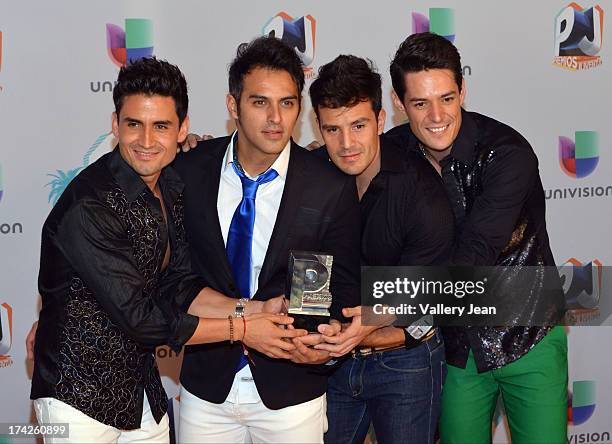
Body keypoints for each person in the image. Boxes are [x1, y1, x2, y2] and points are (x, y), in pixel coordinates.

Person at [30, 57, 303, 444]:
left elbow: (178, 287)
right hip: (77, 396)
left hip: (140, 391)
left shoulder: (172, 187)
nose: (146, 141)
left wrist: (256, 309)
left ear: (182, 129)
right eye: (134, 125)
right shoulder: (90, 206)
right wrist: (243, 329)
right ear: (114, 125)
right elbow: (143, 321)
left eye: (161, 126)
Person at [172, 36, 361, 443]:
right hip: (207, 388)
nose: (276, 118)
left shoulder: (327, 187)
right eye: (260, 102)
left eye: (288, 103)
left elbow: (334, 290)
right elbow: (175, 280)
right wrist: (247, 318)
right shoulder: (188, 172)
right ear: (232, 106)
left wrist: (316, 343)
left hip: (291, 390)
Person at [387, 32, 567, 443]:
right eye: (420, 103)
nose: (437, 116)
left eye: (447, 98)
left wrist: (384, 319)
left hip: (528, 331)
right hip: (454, 344)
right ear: (398, 103)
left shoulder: (507, 152)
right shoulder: (389, 153)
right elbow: (324, 163)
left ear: (463, 89)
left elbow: (474, 253)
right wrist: (212, 149)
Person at [307, 55, 452, 444]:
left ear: (381, 120)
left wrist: (363, 327)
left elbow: (427, 293)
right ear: (318, 128)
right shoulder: (310, 178)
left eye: (358, 126)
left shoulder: (422, 194)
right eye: (332, 129)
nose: (347, 144)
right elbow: (305, 269)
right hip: (331, 362)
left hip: (407, 363)